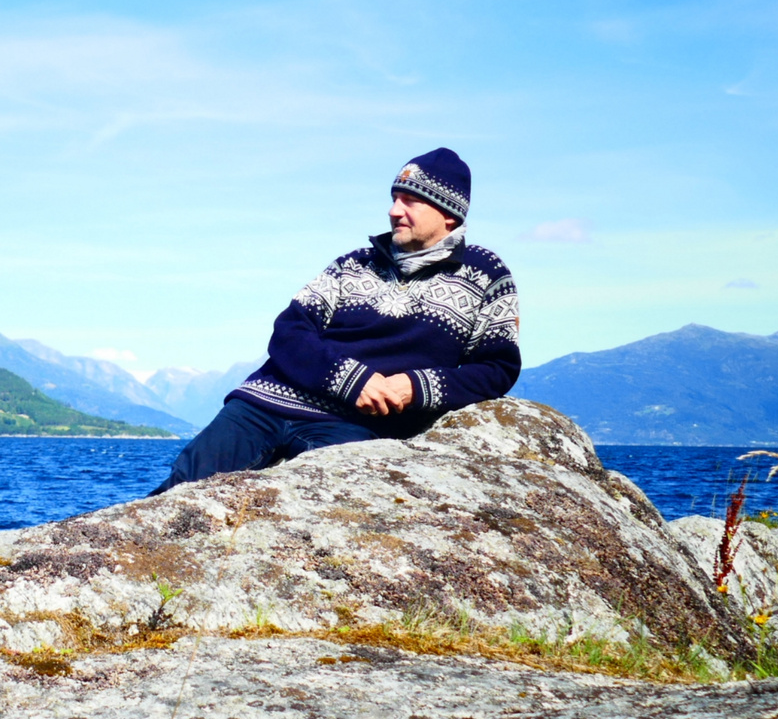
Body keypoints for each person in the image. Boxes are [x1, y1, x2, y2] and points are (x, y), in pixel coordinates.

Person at [148, 148, 519, 495]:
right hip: (267, 402)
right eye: (393, 199)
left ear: (447, 214)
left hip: (357, 424)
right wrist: (350, 380)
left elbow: (496, 368)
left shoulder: (486, 275)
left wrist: (416, 387)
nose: (394, 211)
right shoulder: (352, 264)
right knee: (179, 491)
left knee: (323, 504)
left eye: (410, 201)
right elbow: (289, 333)